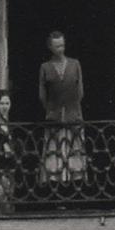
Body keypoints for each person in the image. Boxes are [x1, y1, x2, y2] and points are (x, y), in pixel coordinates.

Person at [37, 31, 86, 186]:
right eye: (57, 46)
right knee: (54, 151)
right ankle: (55, 183)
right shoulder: (45, 67)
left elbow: (80, 91)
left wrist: (72, 108)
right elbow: (42, 94)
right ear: (50, 47)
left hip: (73, 114)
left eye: (62, 45)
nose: (61, 49)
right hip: (54, 117)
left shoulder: (74, 64)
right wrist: (52, 110)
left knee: (75, 150)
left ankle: (75, 184)